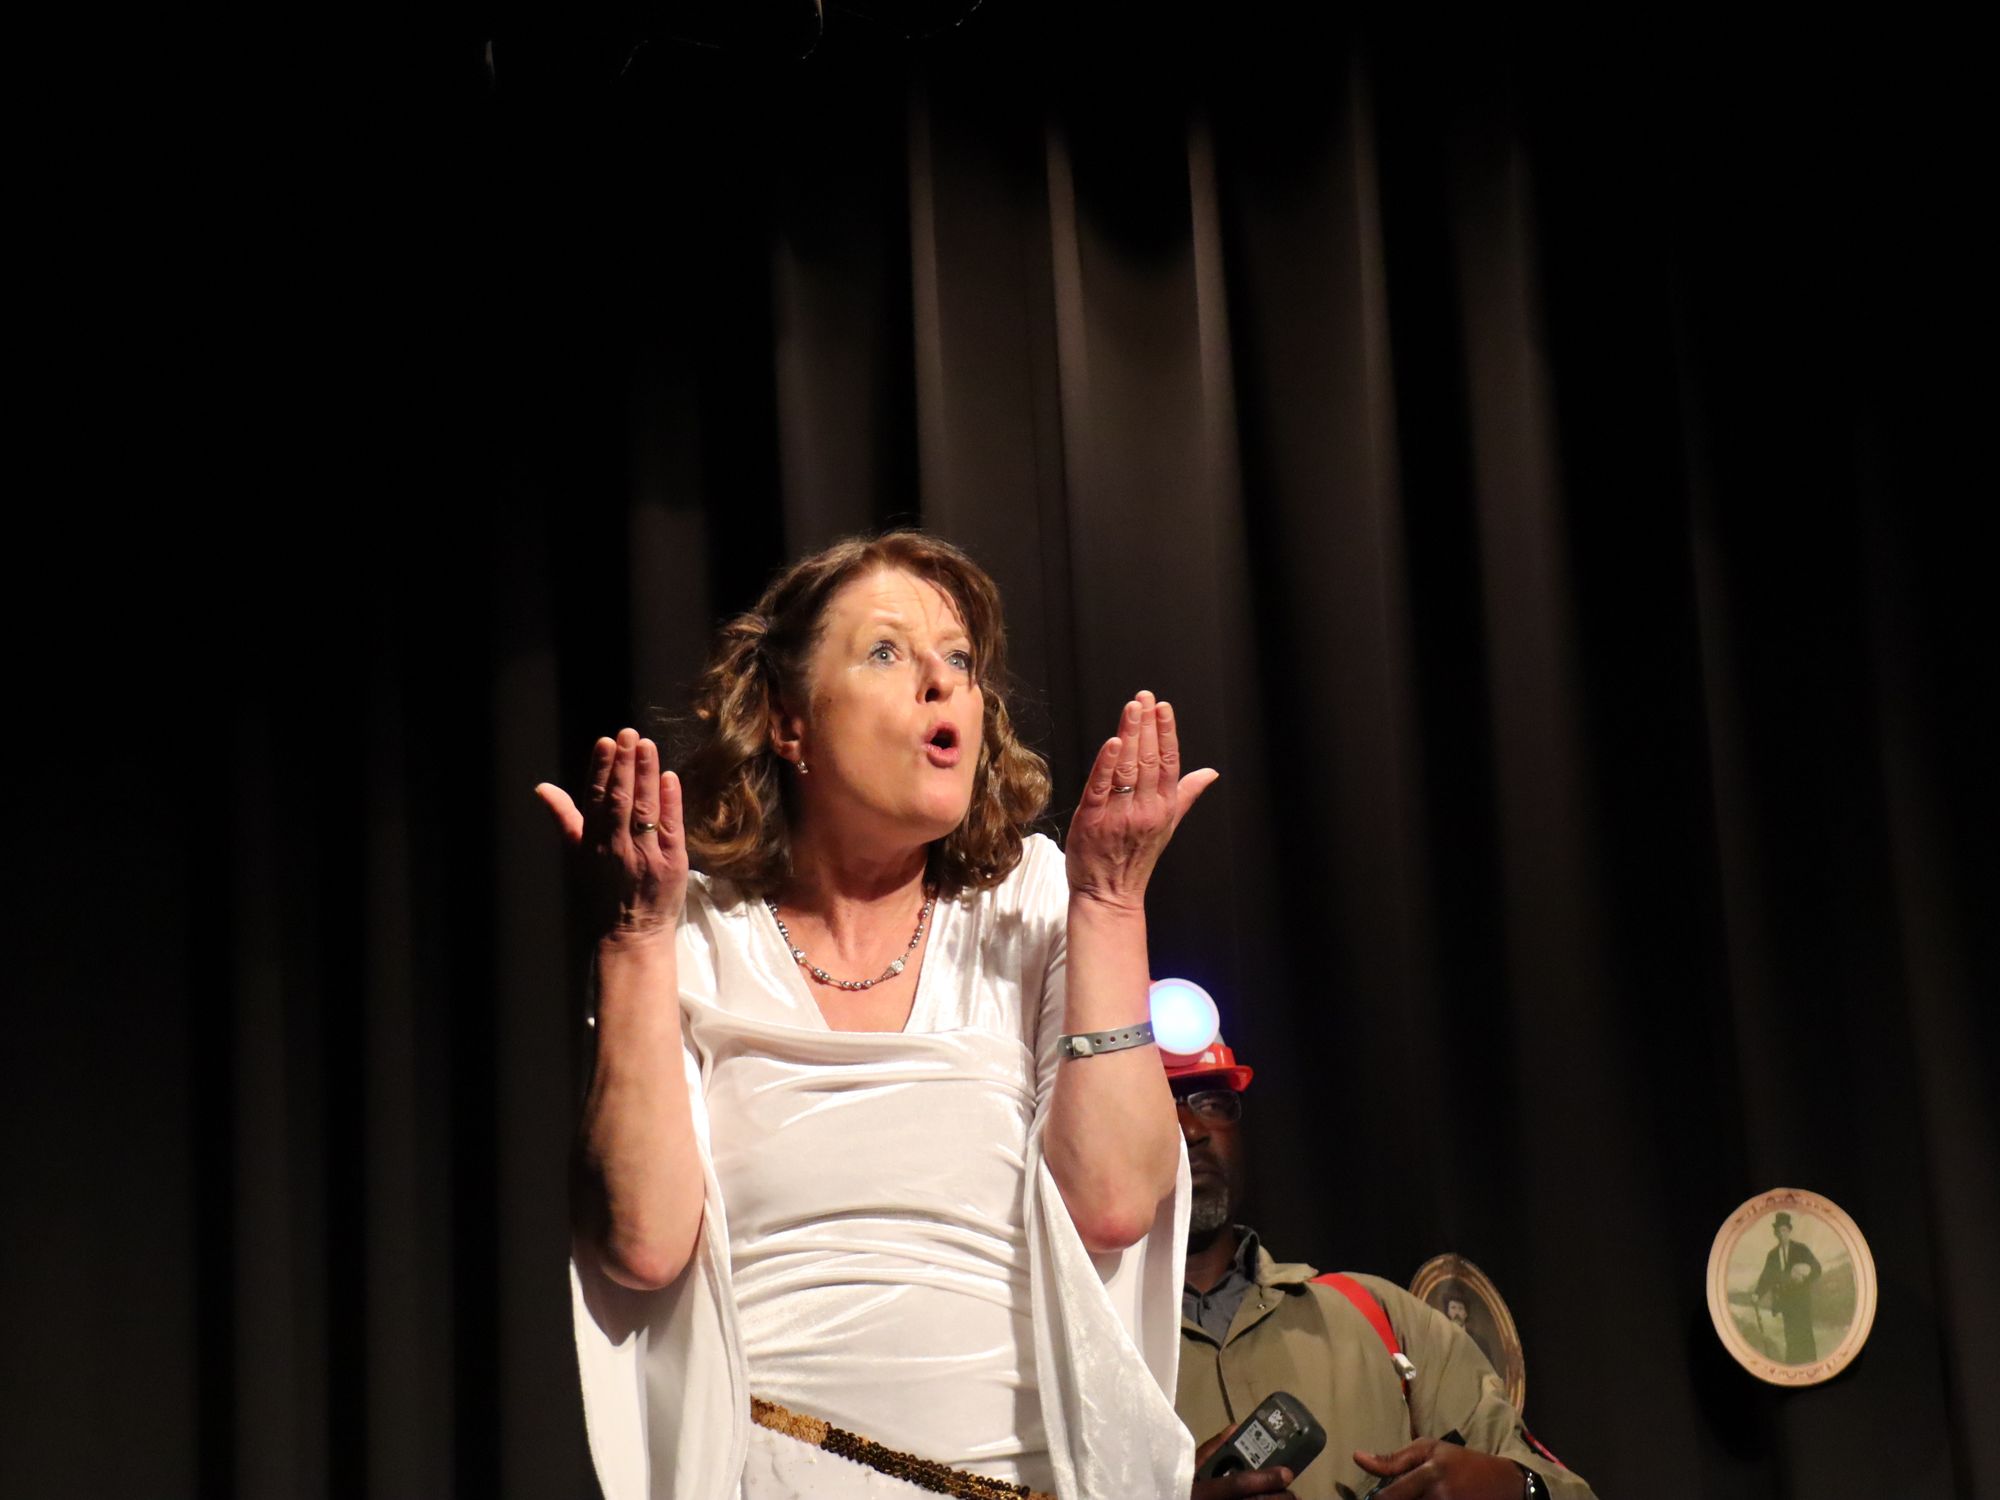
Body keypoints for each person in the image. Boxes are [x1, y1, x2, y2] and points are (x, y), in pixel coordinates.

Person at [536, 531, 1216, 1500]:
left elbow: (1112, 1205)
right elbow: (642, 1245)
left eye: (959, 660)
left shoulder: (1034, 899)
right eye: (887, 653)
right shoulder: (692, 928)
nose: (941, 683)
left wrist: (1109, 906)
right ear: (788, 724)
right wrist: (632, 940)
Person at [1171, 1040, 1599, 1500]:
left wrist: (1513, 1487)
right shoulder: (1108, 1355)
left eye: (1213, 1102)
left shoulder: (1378, 1315)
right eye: (1160, 1105)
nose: (1193, 1129)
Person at [1752, 1211, 1823, 1363]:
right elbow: (1766, 1278)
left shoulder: (1801, 1249)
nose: (1781, 1234)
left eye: (1784, 1230)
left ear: (1789, 1230)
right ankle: (1793, 1368)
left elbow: (1817, 1268)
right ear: (1775, 1233)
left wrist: (1806, 1273)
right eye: (1778, 1231)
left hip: (1802, 1301)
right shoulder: (1772, 1255)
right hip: (1785, 1302)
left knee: (1805, 1333)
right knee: (1790, 1335)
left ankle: (1811, 1366)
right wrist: (1757, 1293)